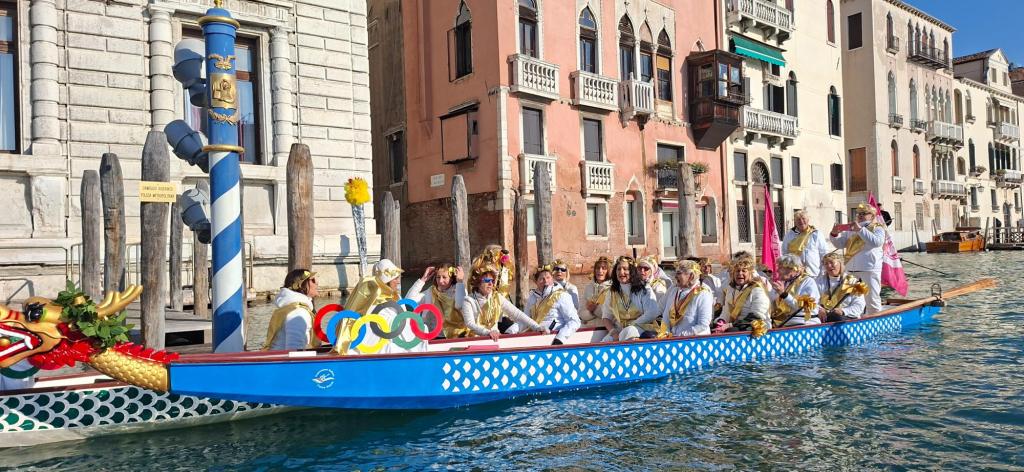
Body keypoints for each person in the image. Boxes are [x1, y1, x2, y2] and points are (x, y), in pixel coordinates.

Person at [336, 259, 424, 354]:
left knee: (421, 327)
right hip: (375, 340)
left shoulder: (396, 296)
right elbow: (376, 321)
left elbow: (403, 317)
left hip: (393, 335)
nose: (398, 282)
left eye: (398, 278)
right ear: (386, 280)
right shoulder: (374, 297)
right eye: (395, 278)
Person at [462, 263, 547, 341]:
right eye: (487, 281)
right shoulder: (468, 300)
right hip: (475, 340)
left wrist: (537, 327)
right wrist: (487, 333)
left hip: (495, 339)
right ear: (477, 282)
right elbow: (470, 323)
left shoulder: (497, 298)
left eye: (492, 281)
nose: (490, 284)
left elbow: (517, 314)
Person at [830, 203, 885, 314]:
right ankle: (852, 317)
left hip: (869, 269)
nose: (860, 215)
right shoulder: (850, 229)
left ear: (872, 216)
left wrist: (860, 230)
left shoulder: (877, 228)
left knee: (871, 299)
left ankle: (875, 319)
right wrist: (834, 234)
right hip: (851, 269)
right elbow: (840, 244)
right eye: (858, 213)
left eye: (864, 213)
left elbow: (876, 242)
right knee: (848, 298)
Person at [601, 256, 661, 341]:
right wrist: (613, 332)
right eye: (618, 269)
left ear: (632, 271)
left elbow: (652, 312)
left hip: (643, 327)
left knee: (629, 331)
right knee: (606, 340)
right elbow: (606, 317)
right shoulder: (611, 292)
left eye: (625, 269)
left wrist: (633, 324)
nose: (621, 272)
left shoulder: (644, 288)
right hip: (621, 330)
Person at [405, 263, 468, 339]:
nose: (440, 281)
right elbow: (409, 301)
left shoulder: (459, 290)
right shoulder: (431, 291)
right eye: (438, 277)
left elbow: (460, 305)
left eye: (444, 277)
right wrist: (423, 280)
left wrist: (460, 282)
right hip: (434, 335)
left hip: (457, 335)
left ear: (451, 278)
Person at [263, 269, 321, 351]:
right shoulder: (298, 312)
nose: (317, 283)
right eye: (313, 280)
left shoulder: (292, 308)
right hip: (286, 359)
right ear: (300, 285)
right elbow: (294, 350)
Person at [712, 256, 770, 337]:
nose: (740, 273)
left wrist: (729, 325)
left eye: (744, 271)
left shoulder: (757, 290)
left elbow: (757, 316)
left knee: (730, 331)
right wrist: (721, 322)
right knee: (712, 328)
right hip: (736, 325)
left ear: (750, 274)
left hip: (755, 326)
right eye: (737, 271)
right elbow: (726, 312)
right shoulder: (731, 290)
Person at [525, 264, 581, 345]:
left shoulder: (562, 295)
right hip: (534, 339)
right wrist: (510, 332)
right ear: (536, 282)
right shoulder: (532, 297)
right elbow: (524, 320)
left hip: (554, 340)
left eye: (548, 277)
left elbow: (574, 321)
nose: (545, 281)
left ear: (552, 278)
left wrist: (560, 339)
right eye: (541, 279)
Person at [660, 260, 714, 337]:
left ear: (691, 276)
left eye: (679, 273)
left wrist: (681, 336)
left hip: (696, 340)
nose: (675, 276)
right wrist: (665, 334)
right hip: (674, 339)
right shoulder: (674, 291)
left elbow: (703, 324)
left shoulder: (703, 293)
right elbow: (665, 318)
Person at [768, 255, 821, 328]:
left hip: (804, 324)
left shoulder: (808, 282)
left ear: (793, 269)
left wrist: (784, 294)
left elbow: (805, 307)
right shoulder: (785, 283)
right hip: (785, 323)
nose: (777, 271)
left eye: (781, 268)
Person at [816, 252, 867, 322]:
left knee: (837, 318)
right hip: (824, 317)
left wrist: (843, 311)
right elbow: (813, 300)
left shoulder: (853, 282)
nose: (829, 266)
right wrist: (819, 309)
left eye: (832, 262)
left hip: (846, 318)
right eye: (826, 264)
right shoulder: (819, 281)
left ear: (840, 263)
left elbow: (859, 305)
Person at [781, 210, 832, 277]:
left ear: (808, 220)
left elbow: (824, 253)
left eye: (803, 218)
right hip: (795, 273)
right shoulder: (789, 235)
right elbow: (785, 253)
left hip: (814, 273)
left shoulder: (816, 234)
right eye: (798, 219)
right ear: (795, 222)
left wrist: (825, 270)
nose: (801, 221)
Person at [580, 256, 612, 326]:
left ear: (608, 271)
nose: (600, 271)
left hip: (606, 328)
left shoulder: (612, 289)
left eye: (604, 268)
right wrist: (590, 312)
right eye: (598, 268)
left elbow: (612, 315)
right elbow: (581, 313)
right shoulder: (588, 287)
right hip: (589, 328)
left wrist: (595, 309)